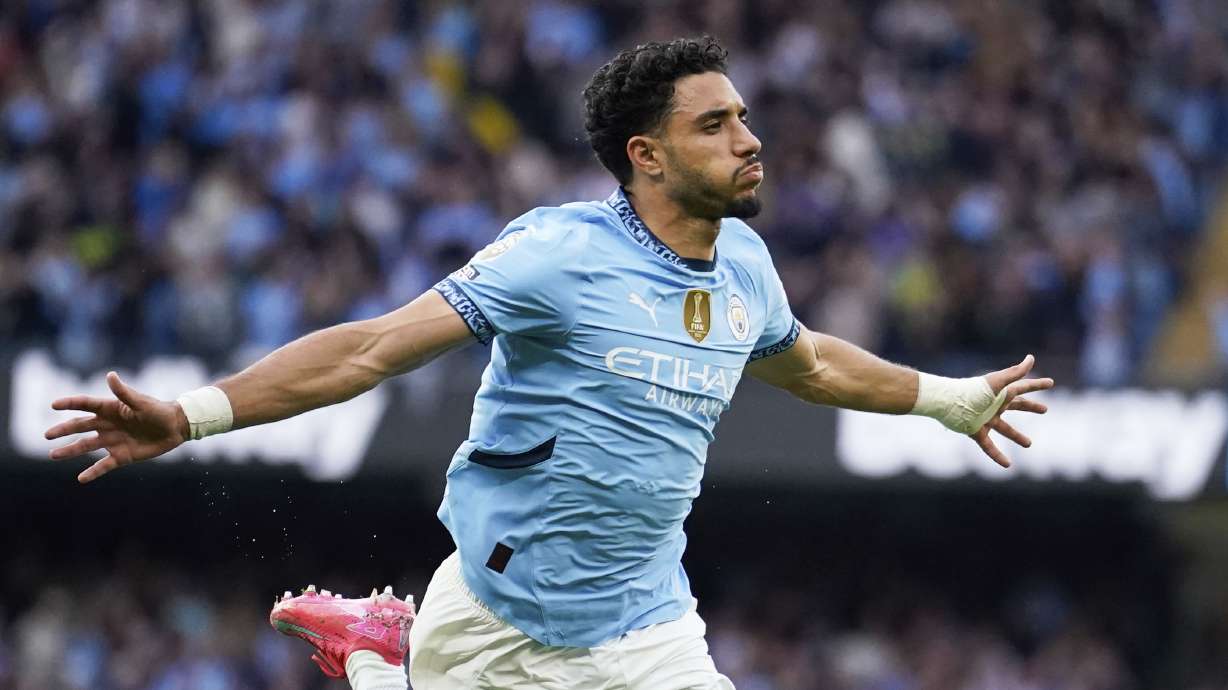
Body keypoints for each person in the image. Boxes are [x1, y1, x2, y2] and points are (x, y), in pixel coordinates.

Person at [43, 37, 1054, 690]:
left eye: (743, 117)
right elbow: (370, 349)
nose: (751, 140)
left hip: (648, 630)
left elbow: (811, 367)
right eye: (716, 125)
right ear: (643, 156)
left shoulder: (744, 260)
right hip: (494, 623)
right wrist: (192, 418)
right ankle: (382, 661)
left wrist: (949, 399)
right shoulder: (556, 254)